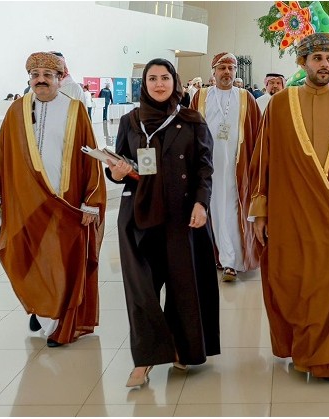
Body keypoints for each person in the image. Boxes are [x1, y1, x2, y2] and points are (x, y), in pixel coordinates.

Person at [248, 33, 329, 381]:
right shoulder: (279, 105)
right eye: (317, 58)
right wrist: (260, 211)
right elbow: (262, 161)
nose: (325, 65)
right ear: (302, 62)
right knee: (295, 284)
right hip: (290, 215)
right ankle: (302, 351)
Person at [105, 58, 220, 387]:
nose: (159, 84)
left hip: (183, 214)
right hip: (140, 216)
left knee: (184, 285)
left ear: (175, 82)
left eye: (165, 77)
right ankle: (145, 358)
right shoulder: (130, 121)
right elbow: (119, 165)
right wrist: (116, 173)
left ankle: (184, 348)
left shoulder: (191, 120)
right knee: (142, 290)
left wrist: (201, 203)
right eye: (152, 78)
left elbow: (204, 168)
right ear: (144, 84)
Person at [0, 52, 106, 348]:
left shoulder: (75, 110)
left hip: (65, 202)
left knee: (61, 262)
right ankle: (40, 306)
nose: (40, 80)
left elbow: (91, 157)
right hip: (24, 202)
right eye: (35, 75)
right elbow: (1, 154)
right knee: (28, 258)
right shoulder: (17, 110)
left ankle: (59, 322)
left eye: (47, 75)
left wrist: (91, 201)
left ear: (60, 79)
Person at [190, 52, 261, 281]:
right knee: (212, 210)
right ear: (214, 71)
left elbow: (257, 134)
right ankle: (215, 257)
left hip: (236, 168)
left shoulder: (245, 98)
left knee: (231, 211)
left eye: (231, 68)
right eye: (222, 68)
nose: (227, 72)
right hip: (207, 168)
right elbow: (190, 132)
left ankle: (231, 262)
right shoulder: (201, 96)